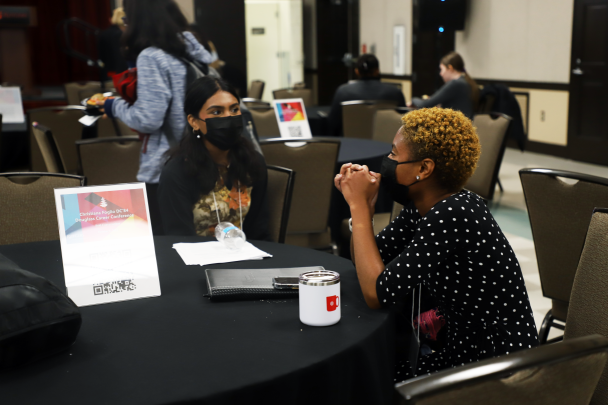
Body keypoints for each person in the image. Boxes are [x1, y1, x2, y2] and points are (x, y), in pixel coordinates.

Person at [334, 107, 538, 382]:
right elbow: (366, 262)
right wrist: (366, 212)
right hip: (464, 350)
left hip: (498, 368)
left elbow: (376, 293)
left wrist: (357, 207)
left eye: (394, 153)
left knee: (373, 378)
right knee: (375, 370)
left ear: (424, 168)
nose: (387, 161)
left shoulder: (453, 213)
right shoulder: (423, 206)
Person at [99, 0, 215, 234]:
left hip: (167, 166)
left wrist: (114, 106)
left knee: (165, 246)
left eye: (126, 19)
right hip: (205, 160)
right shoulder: (196, 56)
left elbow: (148, 119)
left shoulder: (153, 57)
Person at [158, 76, 271, 241]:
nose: (228, 118)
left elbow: (260, 231)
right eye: (217, 112)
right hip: (197, 261)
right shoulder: (177, 172)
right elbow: (179, 239)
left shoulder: (253, 163)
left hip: (245, 256)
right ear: (194, 122)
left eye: (234, 110)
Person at [328, 54, 406, 136]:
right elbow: (404, 123)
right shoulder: (394, 92)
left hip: (350, 144)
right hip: (385, 144)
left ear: (357, 71)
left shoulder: (342, 92)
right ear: (377, 70)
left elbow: (332, 125)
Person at [408, 52, 479, 119]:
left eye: (442, 69)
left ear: (450, 68)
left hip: (455, 127)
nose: (440, 74)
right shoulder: (466, 82)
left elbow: (424, 105)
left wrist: (413, 100)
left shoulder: (455, 84)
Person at [97, 7, 129, 79]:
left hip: (109, 72)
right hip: (123, 74)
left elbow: (101, 56)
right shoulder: (124, 35)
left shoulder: (104, 34)